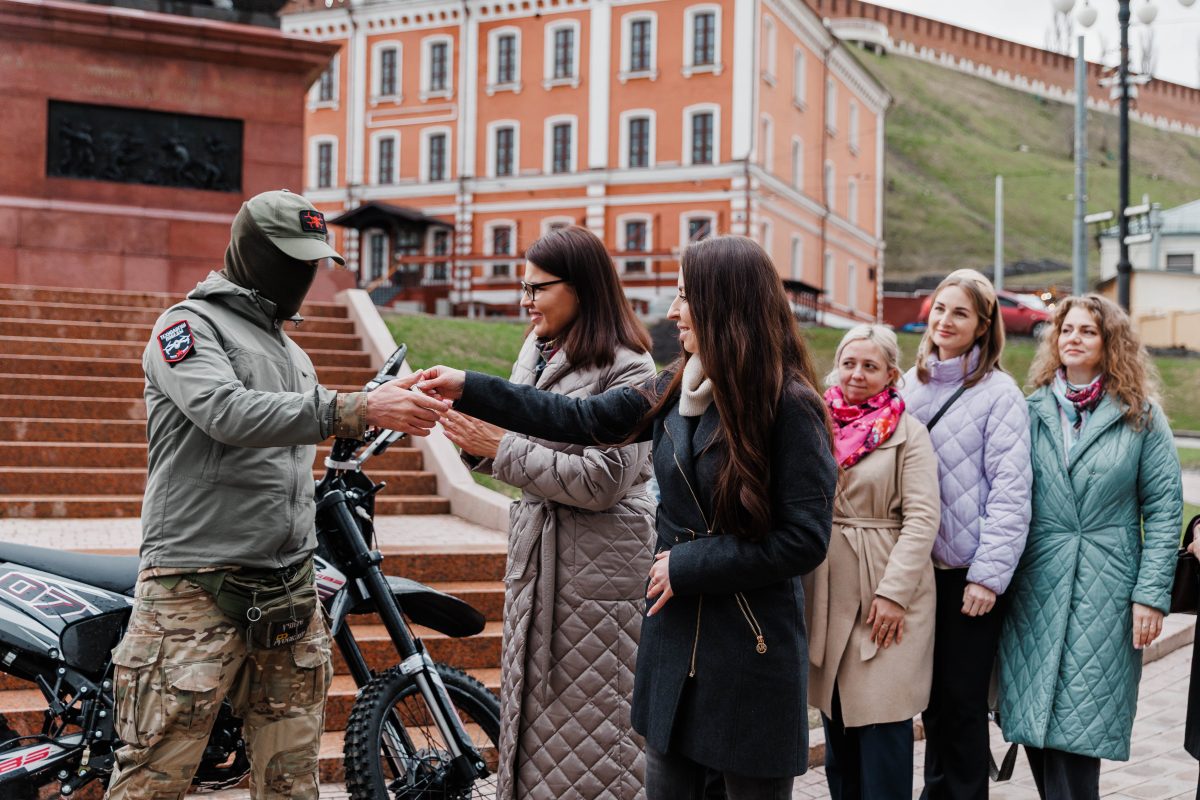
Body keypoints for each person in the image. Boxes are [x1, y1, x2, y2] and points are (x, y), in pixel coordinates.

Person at [419, 235, 836, 799]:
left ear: (724, 303)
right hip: (672, 646)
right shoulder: (676, 386)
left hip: (748, 649)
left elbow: (804, 540)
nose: (671, 312)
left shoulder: (791, 405)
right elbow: (579, 418)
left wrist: (688, 565)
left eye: (684, 297)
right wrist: (470, 386)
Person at [106, 189, 450, 800]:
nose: (304, 275)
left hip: (288, 591)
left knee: (292, 784)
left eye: (313, 261)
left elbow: (289, 444)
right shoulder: (186, 328)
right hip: (195, 587)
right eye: (292, 259)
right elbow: (227, 413)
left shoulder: (293, 353)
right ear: (252, 251)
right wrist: (357, 406)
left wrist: (380, 414)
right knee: (152, 781)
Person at [439, 226, 656, 799]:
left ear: (582, 287)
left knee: (597, 750)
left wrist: (498, 448)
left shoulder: (631, 367)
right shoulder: (535, 350)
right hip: (540, 566)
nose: (526, 300)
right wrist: (476, 442)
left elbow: (605, 481)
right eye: (523, 287)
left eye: (538, 287)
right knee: (537, 743)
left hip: (597, 579)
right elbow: (515, 445)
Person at [997, 294, 1182, 799]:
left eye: (1087, 331)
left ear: (1109, 345)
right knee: (1033, 723)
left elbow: (1165, 511)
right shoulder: (1030, 409)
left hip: (1107, 588)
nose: (1073, 338)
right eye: (1066, 329)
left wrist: (1150, 594)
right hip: (1036, 584)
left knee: (1082, 728)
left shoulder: (1140, 416)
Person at [901, 268, 1032, 800]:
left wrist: (988, 578)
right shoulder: (909, 387)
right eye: (939, 309)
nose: (946, 320)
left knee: (961, 700)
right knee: (929, 701)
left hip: (967, 579)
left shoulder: (1000, 395)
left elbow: (1011, 493)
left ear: (983, 326)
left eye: (961, 312)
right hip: (914, 575)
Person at [805, 325, 940, 799]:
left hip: (886, 591)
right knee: (838, 726)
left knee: (884, 724)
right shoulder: (815, 422)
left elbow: (923, 518)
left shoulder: (909, 432)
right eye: (849, 363)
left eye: (870, 366)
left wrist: (893, 593)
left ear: (890, 374)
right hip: (825, 593)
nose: (857, 374)